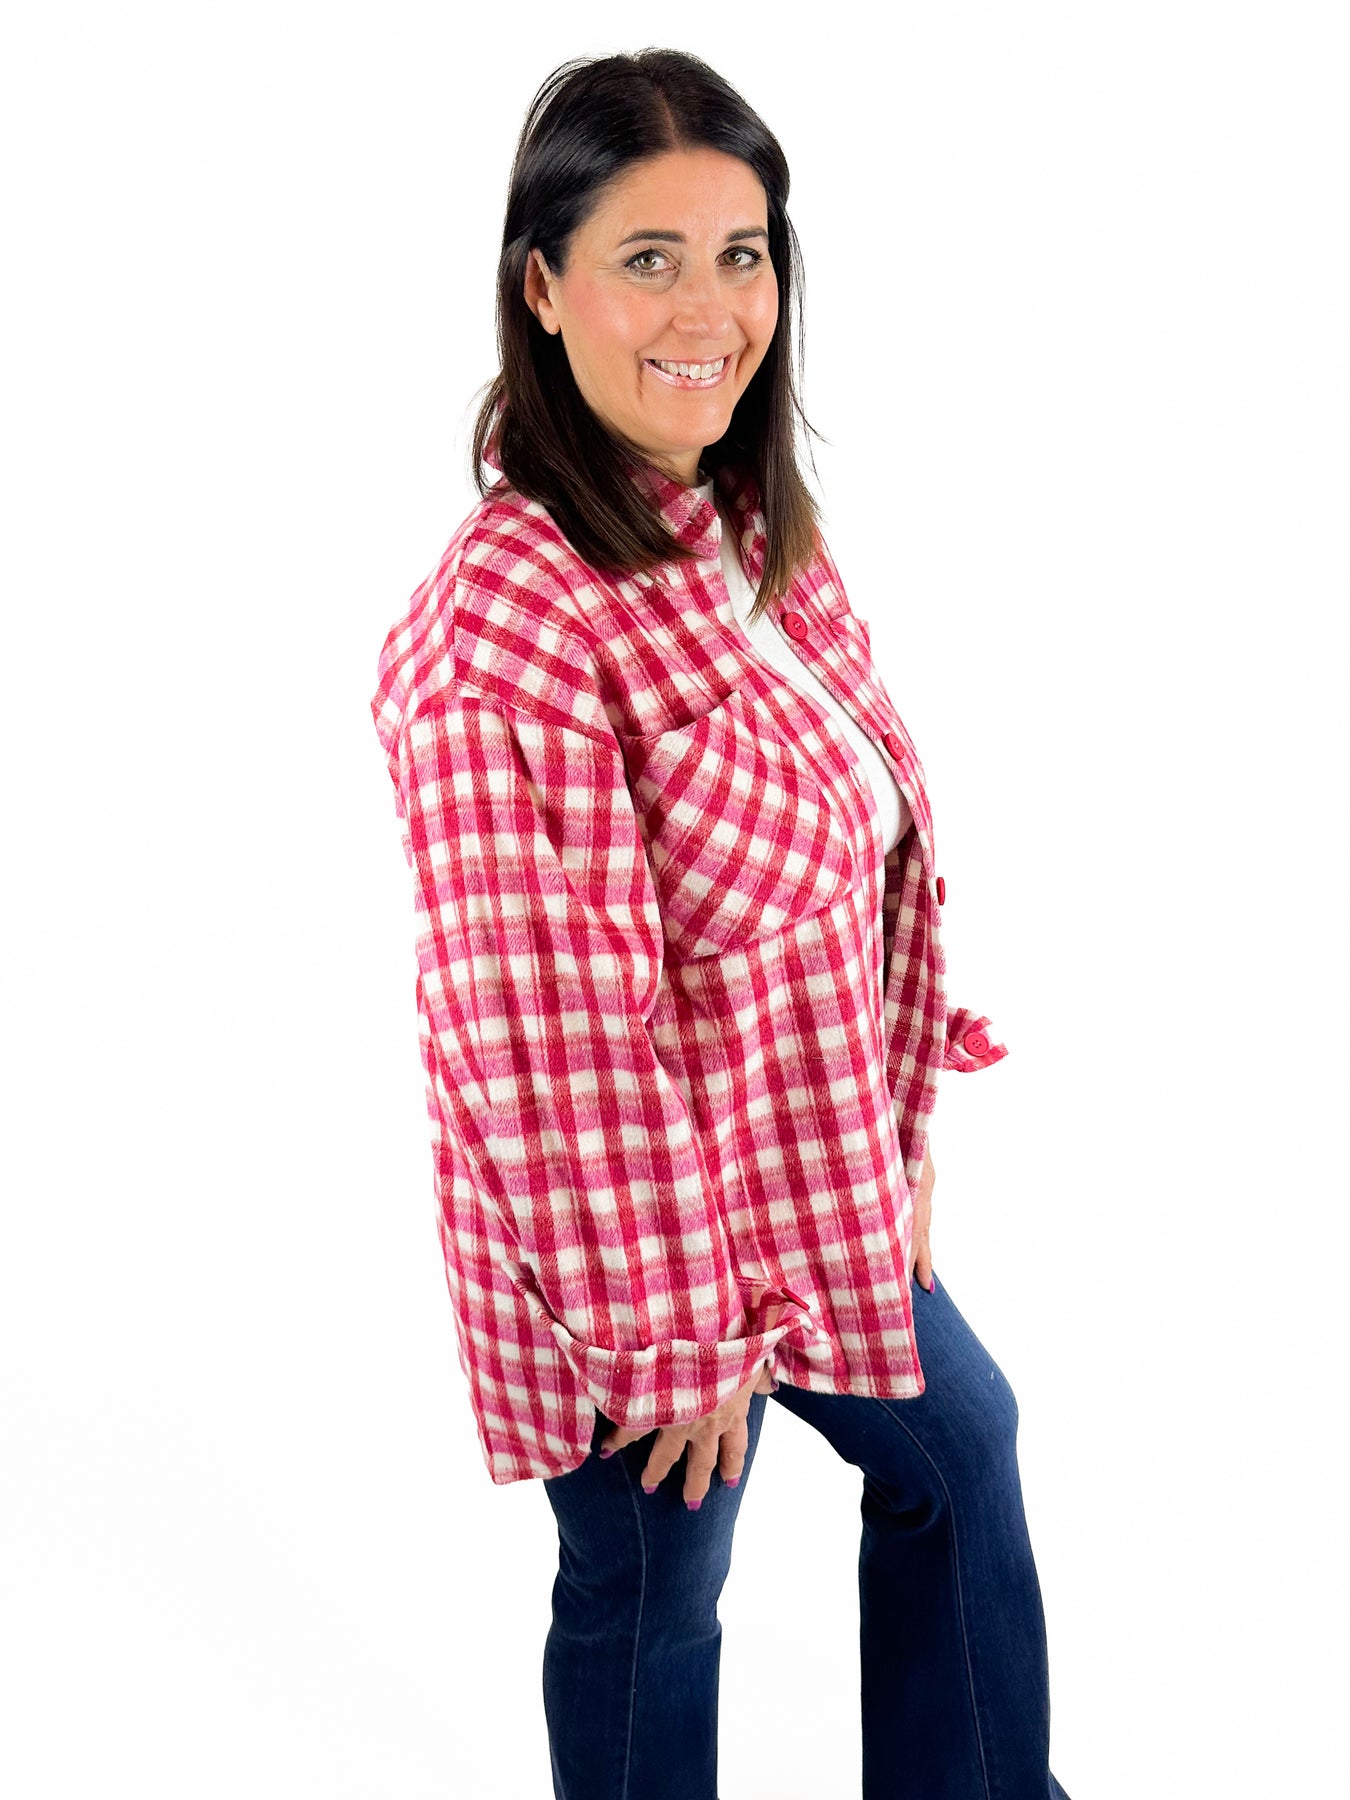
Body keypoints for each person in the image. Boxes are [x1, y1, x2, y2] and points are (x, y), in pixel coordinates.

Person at [370, 47, 1072, 1800]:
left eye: (740, 253)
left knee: (959, 1447)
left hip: (797, 1181)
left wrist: (892, 1134)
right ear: (542, 287)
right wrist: (667, 1331)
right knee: (654, 1588)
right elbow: (542, 1046)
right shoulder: (506, 631)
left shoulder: (746, 528)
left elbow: (860, 858)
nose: (708, 309)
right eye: (647, 258)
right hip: (627, 1241)